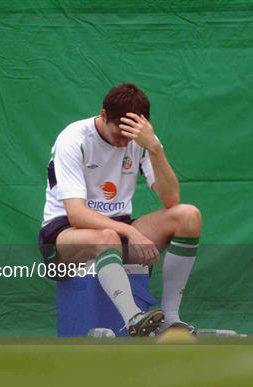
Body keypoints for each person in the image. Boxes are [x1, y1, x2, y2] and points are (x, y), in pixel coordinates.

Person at [39, 83, 202, 336]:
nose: (124, 143)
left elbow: (172, 200)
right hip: (64, 236)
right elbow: (76, 214)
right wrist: (130, 232)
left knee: (188, 216)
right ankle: (133, 318)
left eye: (131, 136)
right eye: (119, 135)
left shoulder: (142, 140)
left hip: (119, 231)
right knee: (107, 237)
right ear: (103, 115)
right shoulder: (73, 139)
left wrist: (154, 148)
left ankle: (171, 318)